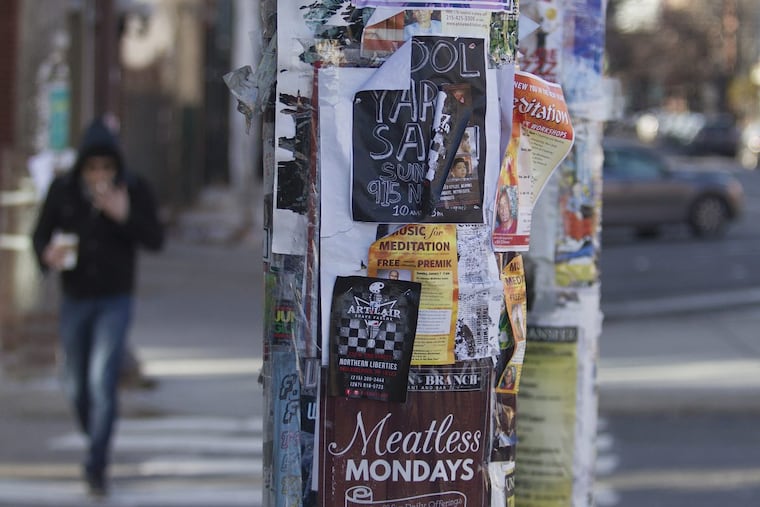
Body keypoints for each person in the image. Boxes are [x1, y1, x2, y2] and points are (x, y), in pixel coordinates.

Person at [32, 117, 164, 497]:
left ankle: (97, 463)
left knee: (101, 378)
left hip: (114, 298)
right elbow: (40, 234)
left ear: (116, 167)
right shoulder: (63, 191)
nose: (99, 176)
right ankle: (97, 435)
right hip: (75, 298)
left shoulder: (134, 190)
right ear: (82, 168)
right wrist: (46, 254)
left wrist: (122, 216)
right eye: (92, 168)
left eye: (106, 167)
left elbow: (155, 238)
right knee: (73, 381)